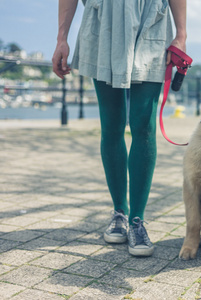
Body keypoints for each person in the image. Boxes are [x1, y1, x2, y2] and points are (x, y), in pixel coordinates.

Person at [52, 0, 187, 257]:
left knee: (143, 127)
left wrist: (181, 35)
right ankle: (119, 212)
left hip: (151, 19)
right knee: (111, 126)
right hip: (104, 20)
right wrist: (61, 38)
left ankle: (137, 220)